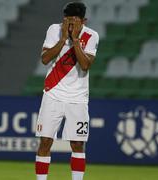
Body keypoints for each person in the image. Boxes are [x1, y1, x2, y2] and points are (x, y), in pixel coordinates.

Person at [35, 1, 99, 180]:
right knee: (45, 141)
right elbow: (45, 59)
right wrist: (63, 39)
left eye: (75, 21)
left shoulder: (91, 36)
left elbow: (85, 65)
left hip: (77, 98)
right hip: (53, 94)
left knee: (78, 143)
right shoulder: (54, 30)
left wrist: (75, 40)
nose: (70, 25)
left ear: (83, 21)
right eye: (68, 21)